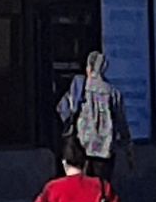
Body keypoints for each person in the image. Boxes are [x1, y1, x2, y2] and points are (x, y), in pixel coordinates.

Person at [54, 48, 130, 179]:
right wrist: (127, 145)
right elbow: (121, 121)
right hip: (105, 148)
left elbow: (64, 109)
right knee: (101, 184)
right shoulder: (113, 92)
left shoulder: (80, 85)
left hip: (82, 145)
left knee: (82, 183)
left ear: (89, 67)